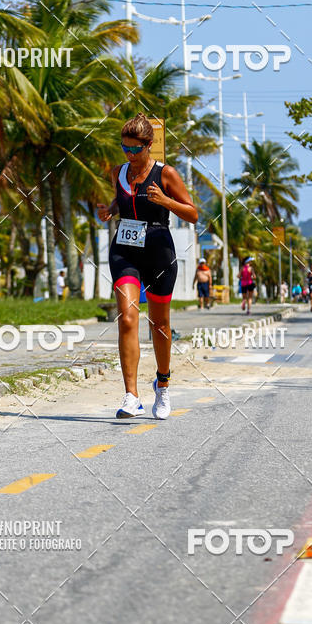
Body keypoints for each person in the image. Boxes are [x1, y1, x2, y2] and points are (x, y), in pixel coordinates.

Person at [97, 113, 198, 420]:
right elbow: (122, 201)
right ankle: (131, 397)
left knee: (159, 325)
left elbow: (192, 213)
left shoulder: (166, 174)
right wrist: (110, 210)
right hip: (125, 249)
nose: (129, 154)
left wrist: (166, 201)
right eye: (124, 148)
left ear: (149, 145)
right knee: (127, 318)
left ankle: (162, 384)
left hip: (158, 249)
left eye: (135, 149)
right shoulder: (118, 172)